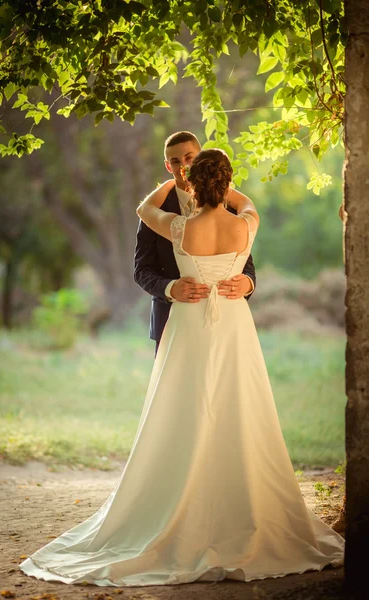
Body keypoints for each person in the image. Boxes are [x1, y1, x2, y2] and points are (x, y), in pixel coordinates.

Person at [19, 148, 344, 587]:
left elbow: (143, 208)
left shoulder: (180, 227)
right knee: (236, 404)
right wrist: (221, 188)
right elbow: (247, 205)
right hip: (232, 324)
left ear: (194, 180)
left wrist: (179, 180)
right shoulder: (245, 223)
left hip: (190, 325)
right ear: (226, 183)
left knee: (183, 406)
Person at [134, 130, 256, 355]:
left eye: (189, 158)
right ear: (168, 167)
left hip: (227, 320)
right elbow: (141, 270)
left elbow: (245, 263)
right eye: (175, 162)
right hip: (171, 319)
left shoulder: (230, 208)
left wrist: (248, 283)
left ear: (200, 159)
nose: (183, 167)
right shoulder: (159, 211)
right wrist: (171, 288)